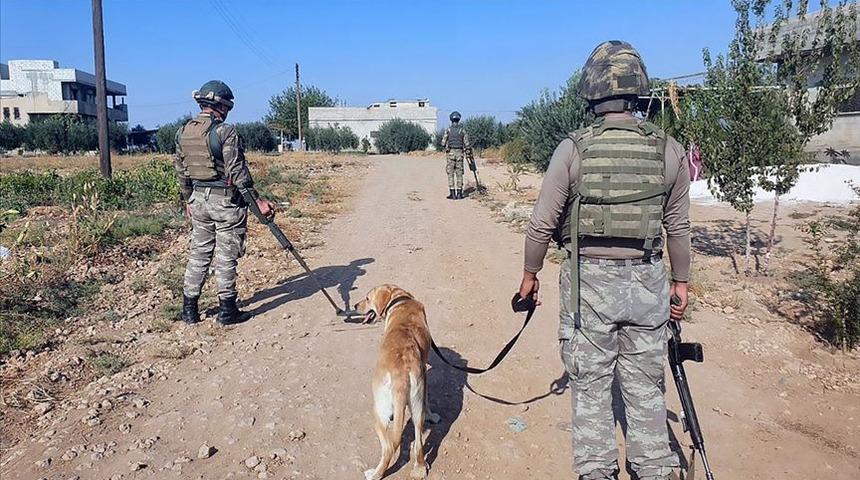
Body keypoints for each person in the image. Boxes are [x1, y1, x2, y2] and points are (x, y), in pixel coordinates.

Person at [516, 41, 691, 480]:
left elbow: (541, 225)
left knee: (591, 386)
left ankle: (597, 470)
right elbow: (679, 228)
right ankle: (653, 466)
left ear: (592, 91)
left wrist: (529, 276)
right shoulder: (668, 150)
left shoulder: (573, 149)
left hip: (587, 285)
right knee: (646, 384)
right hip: (649, 280)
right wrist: (682, 283)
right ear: (638, 89)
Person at [173, 80, 275, 326]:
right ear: (222, 106)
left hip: (198, 200)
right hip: (224, 202)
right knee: (226, 256)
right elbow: (237, 172)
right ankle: (227, 311)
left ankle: (189, 310)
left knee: (199, 253)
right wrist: (257, 201)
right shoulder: (225, 131)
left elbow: (181, 171)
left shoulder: (183, 131)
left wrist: (188, 199)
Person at [441, 111, 471, 199]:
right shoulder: (462, 130)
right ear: (459, 119)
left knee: (450, 173)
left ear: (451, 120)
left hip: (450, 154)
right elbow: (467, 144)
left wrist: (447, 146)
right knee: (459, 173)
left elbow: (443, 143)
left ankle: (452, 193)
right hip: (460, 154)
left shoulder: (448, 130)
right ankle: (459, 193)